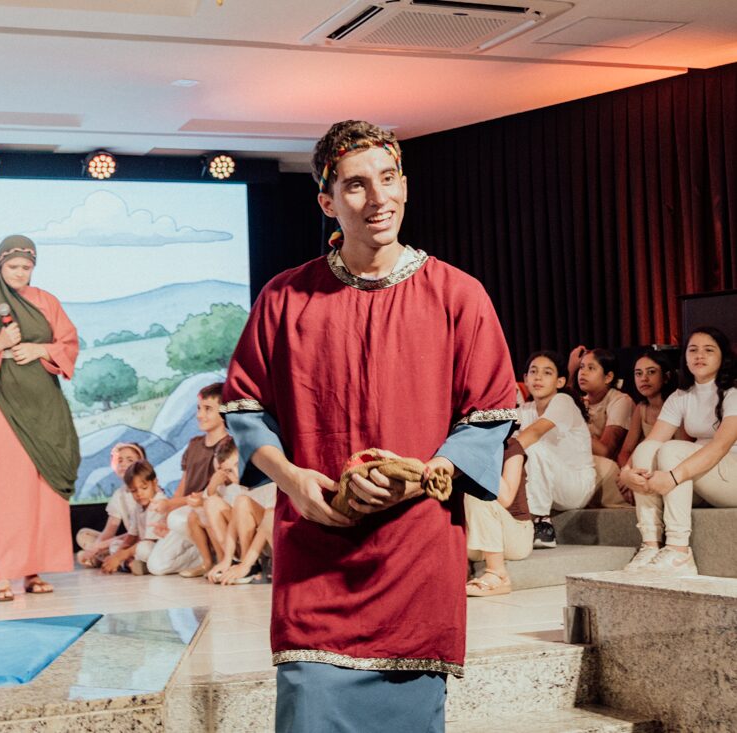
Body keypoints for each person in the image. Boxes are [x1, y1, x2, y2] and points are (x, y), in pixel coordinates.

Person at [222, 121, 517, 733]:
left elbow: (488, 416)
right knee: (309, 711)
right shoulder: (285, 298)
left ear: (405, 185)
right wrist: (293, 480)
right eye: (356, 185)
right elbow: (246, 408)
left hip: (416, 553)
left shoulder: (458, 295)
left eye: (388, 179)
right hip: (316, 550)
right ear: (327, 201)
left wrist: (421, 478)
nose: (378, 198)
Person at [0, 235, 80, 602]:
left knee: (42, 489)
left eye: (26, 267)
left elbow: (69, 344)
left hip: (43, 403)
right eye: (13, 266)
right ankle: (3, 576)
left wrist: (41, 349)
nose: (20, 273)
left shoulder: (46, 302)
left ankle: (34, 571)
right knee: (6, 490)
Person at [619, 327, 737, 576]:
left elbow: (720, 447)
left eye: (708, 350)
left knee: (672, 450)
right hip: (705, 476)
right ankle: (650, 544)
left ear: (722, 357)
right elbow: (652, 440)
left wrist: (672, 477)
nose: (699, 356)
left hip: (731, 476)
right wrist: (627, 472)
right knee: (648, 448)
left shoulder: (733, 393)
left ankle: (678, 550)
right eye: (693, 350)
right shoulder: (681, 396)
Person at [141, 383, 228, 576]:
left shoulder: (228, 446)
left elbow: (215, 492)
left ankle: (212, 555)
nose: (200, 415)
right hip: (185, 510)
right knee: (156, 566)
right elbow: (184, 485)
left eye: (208, 409)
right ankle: (204, 553)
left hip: (204, 510)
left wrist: (171, 506)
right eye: (199, 408)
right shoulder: (194, 444)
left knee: (177, 518)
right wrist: (167, 512)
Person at [516, 351, 596, 549]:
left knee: (531, 446)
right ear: (525, 379)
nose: (538, 377)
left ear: (560, 381)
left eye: (547, 373)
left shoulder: (563, 401)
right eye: (533, 372)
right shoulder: (524, 410)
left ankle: (542, 523)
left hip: (576, 486)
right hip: (549, 487)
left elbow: (534, 433)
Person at [464, 438, 531, 596]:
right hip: (476, 540)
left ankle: (498, 575)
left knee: (479, 495)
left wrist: (480, 457)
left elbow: (506, 498)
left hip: (514, 537)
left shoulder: (511, 447)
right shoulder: (460, 447)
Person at [573, 348, 633, 508]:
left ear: (608, 377)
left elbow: (606, 451)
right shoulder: (579, 402)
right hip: (583, 466)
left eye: (591, 368)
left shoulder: (620, 401)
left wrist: (574, 427)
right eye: (581, 367)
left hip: (611, 471)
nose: (583, 373)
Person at [76, 442, 147, 568]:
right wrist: (95, 548)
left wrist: (100, 546)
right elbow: (110, 530)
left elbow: (138, 533)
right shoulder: (119, 494)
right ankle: (108, 559)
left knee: (115, 546)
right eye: (120, 460)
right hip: (127, 541)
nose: (123, 464)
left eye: (130, 460)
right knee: (84, 535)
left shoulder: (145, 491)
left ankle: (125, 562)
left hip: (144, 540)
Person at [181, 436, 242, 577]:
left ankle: (227, 560)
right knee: (195, 516)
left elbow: (211, 503)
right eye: (224, 470)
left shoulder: (239, 484)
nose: (224, 473)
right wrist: (213, 484)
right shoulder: (223, 485)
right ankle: (208, 562)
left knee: (209, 507)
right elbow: (207, 497)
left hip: (241, 531)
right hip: (231, 530)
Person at [616, 349, 682, 471]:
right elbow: (625, 452)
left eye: (651, 372)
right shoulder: (641, 408)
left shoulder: (678, 405)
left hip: (671, 470)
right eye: (638, 373)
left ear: (666, 376)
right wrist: (629, 472)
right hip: (642, 468)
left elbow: (683, 453)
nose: (644, 378)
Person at [100, 461, 161, 574]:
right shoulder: (138, 506)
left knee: (144, 548)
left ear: (154, 483)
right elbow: (132, 536)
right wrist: (116, 555)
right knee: (115, 545)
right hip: (141, 546)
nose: (139, 494)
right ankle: (132, 564)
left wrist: (120, 557)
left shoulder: (158, 503)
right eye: (134, 491)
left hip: (156, 548)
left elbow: (149, 541)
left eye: (144, 488)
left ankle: (132, 564)